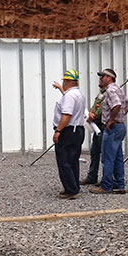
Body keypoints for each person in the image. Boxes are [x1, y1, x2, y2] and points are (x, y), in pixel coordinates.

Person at [90, 68, 128, 194]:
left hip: (112, 128)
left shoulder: (110, 90)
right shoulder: (118, 89)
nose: (100, 79)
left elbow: (117, 105)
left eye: (102, 76)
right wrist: (120, 117)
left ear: (109, 78)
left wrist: (111, 120)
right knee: (118, 157)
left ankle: (106, 185)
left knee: (107, 157)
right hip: (120, 127)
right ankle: (119, 184)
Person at [51, 69, 87, 200]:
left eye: (63, 82)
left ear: (67, 81)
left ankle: (71, 190)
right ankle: (73, 186)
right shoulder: (78, 94)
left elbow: (66, 115)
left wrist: (58, 131)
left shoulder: (69, 96)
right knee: (73, 161)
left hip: (68, 131)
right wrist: (60, 89)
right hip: (77, 130)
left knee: (64, 161)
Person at [83, 81, 107, 186]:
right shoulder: (100, 94)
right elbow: (95, 106)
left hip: (103, 126)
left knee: (105, 155)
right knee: (94, 153)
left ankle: (107, 179)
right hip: (97, 126)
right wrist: (91, 113)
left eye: (102, 78)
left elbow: (103, 109)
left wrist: (94, 115)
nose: (99, 80)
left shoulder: (110, 93)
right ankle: (92, 176)